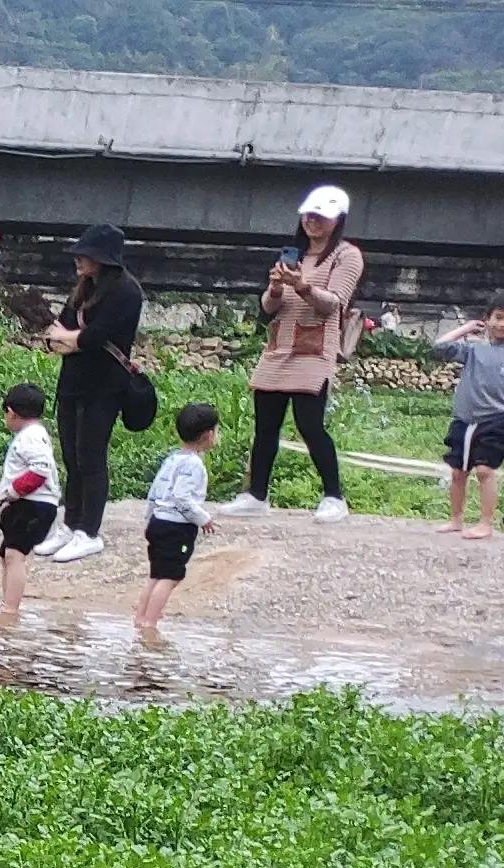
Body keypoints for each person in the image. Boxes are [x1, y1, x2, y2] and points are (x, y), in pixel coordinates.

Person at [227, 185, 365, 519]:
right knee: (266, 425)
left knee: (310, 424)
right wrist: (275, 287)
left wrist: (301, 285)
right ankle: (256, 495)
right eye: (309, 214)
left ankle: (334, 496)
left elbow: (333, 303)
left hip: (314, 350)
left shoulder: (346, 255)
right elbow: (269, 307)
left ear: (338, 220)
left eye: (322, 216)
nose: (313, 221)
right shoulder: (293, 253)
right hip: (279, 348)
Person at [29, 225, 148, 561]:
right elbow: (57, 335)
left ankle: (89, 531)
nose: (78, 260)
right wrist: (73, 340)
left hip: (105, 386)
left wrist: (73, 340)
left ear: (104, 258)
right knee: (70, 456)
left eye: (85, 255)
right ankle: (70, 524)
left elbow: (94, 338)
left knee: (91, 457)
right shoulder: (83, 289)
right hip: (72, 382)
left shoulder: (127, 292)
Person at [433, 292, 504, 537]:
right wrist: (465, 329)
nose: (503, 324)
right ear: (486, 319)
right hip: (464, 419)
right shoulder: (473, 350)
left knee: (484, 471)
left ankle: (485, 523)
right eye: (498, 317)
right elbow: (439, 348)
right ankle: (456, 519)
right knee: (458, 472)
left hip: (497, 419)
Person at [138, 401, 221, 637]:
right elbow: (182, 499)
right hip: (176, 528)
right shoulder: (194, 465)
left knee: (156, 574)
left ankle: (140, 617)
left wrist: (150, 517)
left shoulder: (173, 458)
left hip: (158, 523)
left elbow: (155, 490)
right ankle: (150, 623)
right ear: (208, 435)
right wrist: (203, 518)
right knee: (170, 577)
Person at [0, 383, 59, 617]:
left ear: (11, 412)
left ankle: (10, 609)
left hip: (32, 506)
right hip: (29, 506)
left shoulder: (29, 438)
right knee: (8, 555)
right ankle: (6, 602)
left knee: (15, 555)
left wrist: (12, 492)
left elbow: (39, 471)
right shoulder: (37, 434)